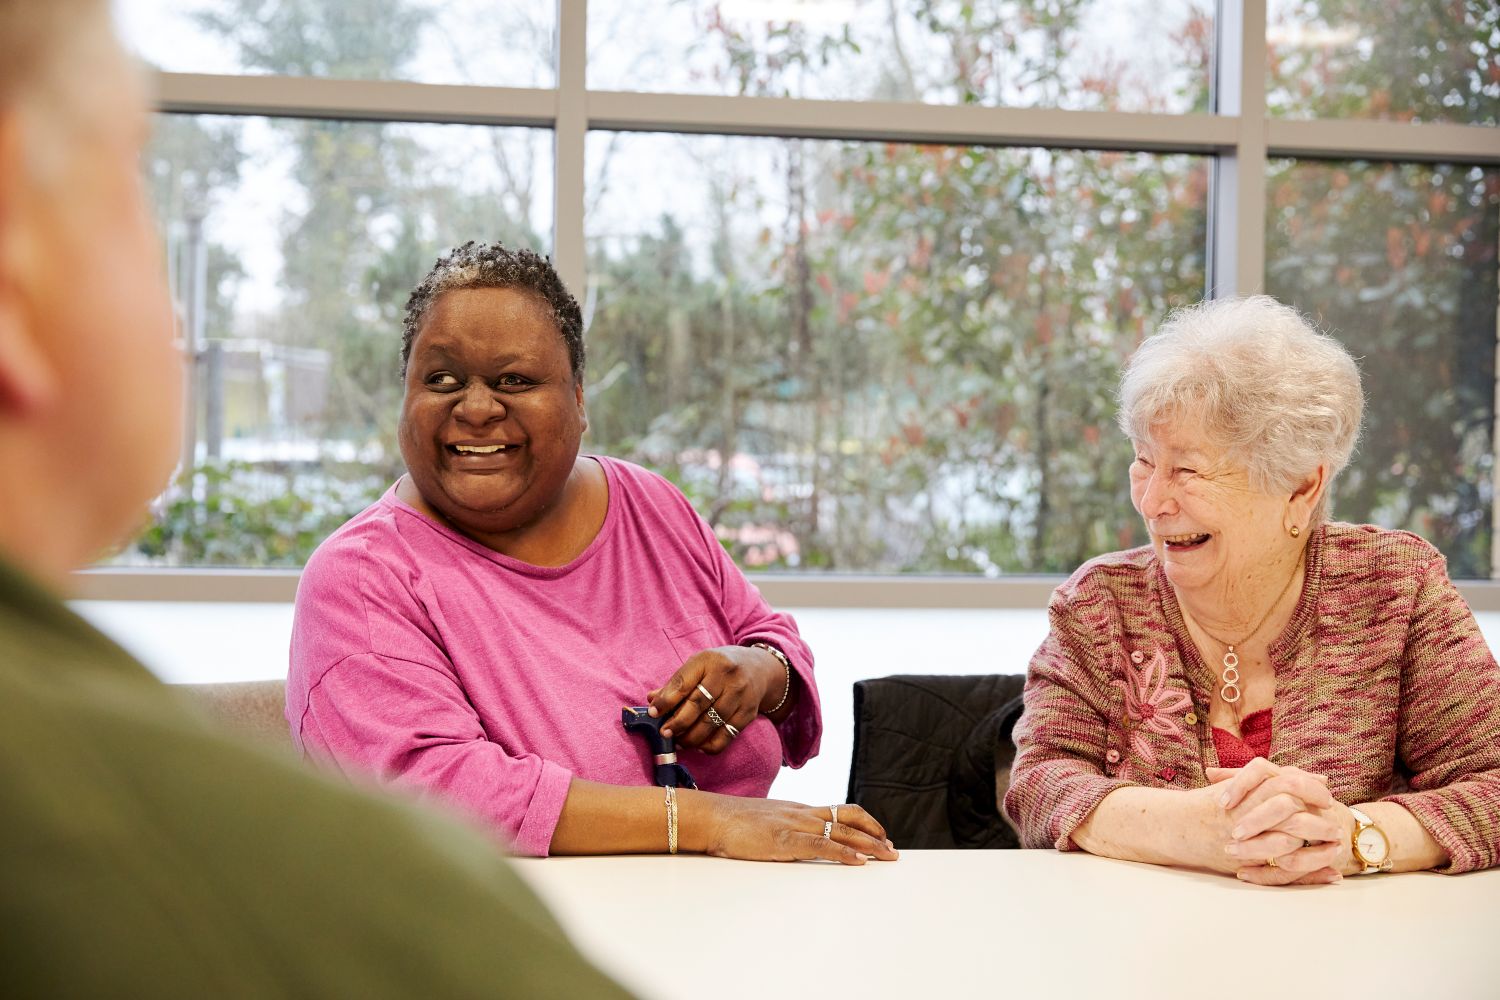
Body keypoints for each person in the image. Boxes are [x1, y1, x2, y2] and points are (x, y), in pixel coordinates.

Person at [0, 2, 632, 994]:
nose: (171, 309)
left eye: (517, 381)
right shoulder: (346, 917)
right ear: (16, 250)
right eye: (129, 184)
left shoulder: (645, 509)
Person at [287, 241, 897, 865]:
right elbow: (438, 790)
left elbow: (769, 637)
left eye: (514, 380)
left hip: (729, 918)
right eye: (441, 379)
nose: (474, 407)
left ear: (578, 398)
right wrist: (709, 821)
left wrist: (760, 673)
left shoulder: (649, 504)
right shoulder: (362, 577)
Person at [1004, 295, 1500, 884]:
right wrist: (1193, 829)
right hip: (1143, 952)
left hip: (1346, 953)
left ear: (1299, 487)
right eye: (1144, 461)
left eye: (1187, 470)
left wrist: (1351, 838)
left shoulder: (1395, 587)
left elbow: (1492, 781)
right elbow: (1036, 783)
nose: (1153, 502)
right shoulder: (1100, 603)